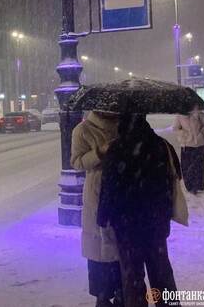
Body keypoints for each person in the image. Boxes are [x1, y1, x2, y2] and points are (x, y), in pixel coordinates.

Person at [98, 114, 181, 307]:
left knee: (132, 276)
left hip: (125, 223)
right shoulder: (160, 145)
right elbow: (173, 178)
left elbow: (107, 187)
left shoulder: (116, 148)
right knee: (161, 271)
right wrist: (165, 212)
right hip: (154, 220)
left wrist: (103, 217)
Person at [71, 111, 123, 307]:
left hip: (123, 191)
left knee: (120, 247)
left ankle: (121, 292)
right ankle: (103, 295)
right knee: (99, 246)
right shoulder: (83, 130)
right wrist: (100, 152)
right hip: (97, 193)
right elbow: (77, 162)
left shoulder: (125, 126)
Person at [173, 107, 204, 194]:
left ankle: (198, 184)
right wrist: (183, 134)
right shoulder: (180, 116)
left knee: (199, 165)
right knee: (186, 166)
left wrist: (203, 131)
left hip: (199, 143)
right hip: (186, 144)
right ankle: (190, 186)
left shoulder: (198, 113)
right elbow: (175, 128)